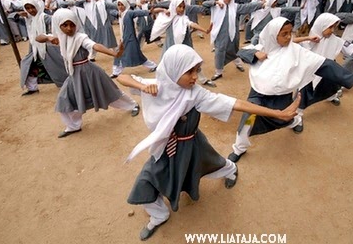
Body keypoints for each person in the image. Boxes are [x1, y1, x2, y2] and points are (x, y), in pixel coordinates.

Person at [118, 44, 301, 241]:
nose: (195, 77)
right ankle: (159, 215)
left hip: (191, 145)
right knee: (146, 181)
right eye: (189, 72)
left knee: (212, 164)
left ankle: (231, 170)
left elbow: (235, 103)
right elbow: (122, 77)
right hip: (164, 148)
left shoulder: (195, 93)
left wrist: (277, 113)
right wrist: (142, 86)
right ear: (174, 70)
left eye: (197, 70)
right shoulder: (157, 85)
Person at [228, 17, 353, 163]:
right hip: (257, 96)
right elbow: (241, 51)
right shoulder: (261, 47)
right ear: (273, 34)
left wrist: (352, 77)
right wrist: (254, 54)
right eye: (283, 34)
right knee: (247, 121)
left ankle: (296, 121)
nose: (288, 37)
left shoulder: (297, 52)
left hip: (281, 97)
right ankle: (239, 148)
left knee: (284, 119)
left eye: (290, 33)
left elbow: (325, 64)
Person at [36, 9, 140, 138]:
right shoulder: (59, 38)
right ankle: (73, 126)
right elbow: (38, 38)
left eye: (72, 24)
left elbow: (94, 45)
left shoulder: (80, 37)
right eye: (65, 25)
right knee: (65, 100)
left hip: (89, 72)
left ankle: (133, 105)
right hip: (74, 75)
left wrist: (113, 53)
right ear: (58, 25)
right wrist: (49, 37)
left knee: (110, 93)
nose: (69, 28)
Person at [294, 13, 353, 132]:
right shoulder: (309, 40)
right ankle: (298, 116)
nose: (332, 31)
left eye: (334, 27)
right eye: (330, 27)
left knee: (332, 84)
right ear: (322, 26)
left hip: (328, 70)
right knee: (303, 93)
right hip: (310, 73)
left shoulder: (335, 40)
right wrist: (306, 38)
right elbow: (290, 44)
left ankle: (331, 96)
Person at [150, 0, 215, 87]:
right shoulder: (168, 16)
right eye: (179, 6)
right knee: (165, 64)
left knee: (193, 62)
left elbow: (192, 24)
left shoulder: (184, 18)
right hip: (171, 46)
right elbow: (154, 10)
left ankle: (203, 80)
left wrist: (205, 30)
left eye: (183, 7)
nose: (181, 9)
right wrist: (163, 10)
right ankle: (161, 82)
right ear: (174, 6)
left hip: (185, 45)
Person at [202, 0, 263, 80]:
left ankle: (238, 63)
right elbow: (204, 4)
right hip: (220, 34)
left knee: (234, 49)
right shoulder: (216, 6)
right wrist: (216, 2)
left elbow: (248, 7)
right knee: (219, 51)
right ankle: (218, 72)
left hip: (233, 34)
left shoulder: (235, 7)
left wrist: (260, 4)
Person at [18, 0, 68, 95]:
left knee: (57, 66)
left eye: (32, 7)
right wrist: (18, 14)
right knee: (29, 65)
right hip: (34, 48)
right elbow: (11, 18)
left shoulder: (44, 17)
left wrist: (50, 36)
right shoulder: (28, 19)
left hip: (47, 48)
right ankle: (32, 88)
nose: (30, 10)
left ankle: (65, 84)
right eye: (27, 8)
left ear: (36, 6)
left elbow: (55, 22)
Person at [109, 0, 157, 79]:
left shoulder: (129, 13)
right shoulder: (120, 14)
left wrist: (148, 12)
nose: (120, 7)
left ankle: (153, 65)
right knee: (120, 55)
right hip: (124, 39)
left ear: (125, 5)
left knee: (136, 56)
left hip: (131, 40)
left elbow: (137, 12)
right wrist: (117, 14)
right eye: (119, 5)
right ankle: (116, 72)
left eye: (122, 5)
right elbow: (111, 11)